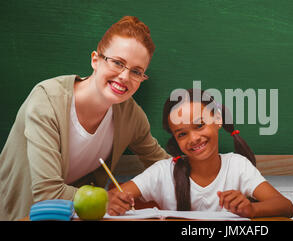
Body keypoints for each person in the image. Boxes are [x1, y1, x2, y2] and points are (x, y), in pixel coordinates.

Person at [0, 16, 170, 220]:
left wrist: (216, 182)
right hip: (18, 215)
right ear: (95, 60)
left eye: (136, 71)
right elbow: (47, 192)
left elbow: (163, 165)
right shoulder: (47, 100)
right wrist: (107, 200)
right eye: (117, 62)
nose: (125, 77)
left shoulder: (131, 115)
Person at [108, 89, 293, 218]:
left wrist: (250, 209)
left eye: (199, 125)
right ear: (175, 139)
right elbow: (113, 196)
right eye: (182, 134)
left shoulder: (238, 166)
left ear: (218, 120)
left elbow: (285, 206)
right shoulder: (163, 171)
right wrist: (112, 201)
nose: (194, 138)